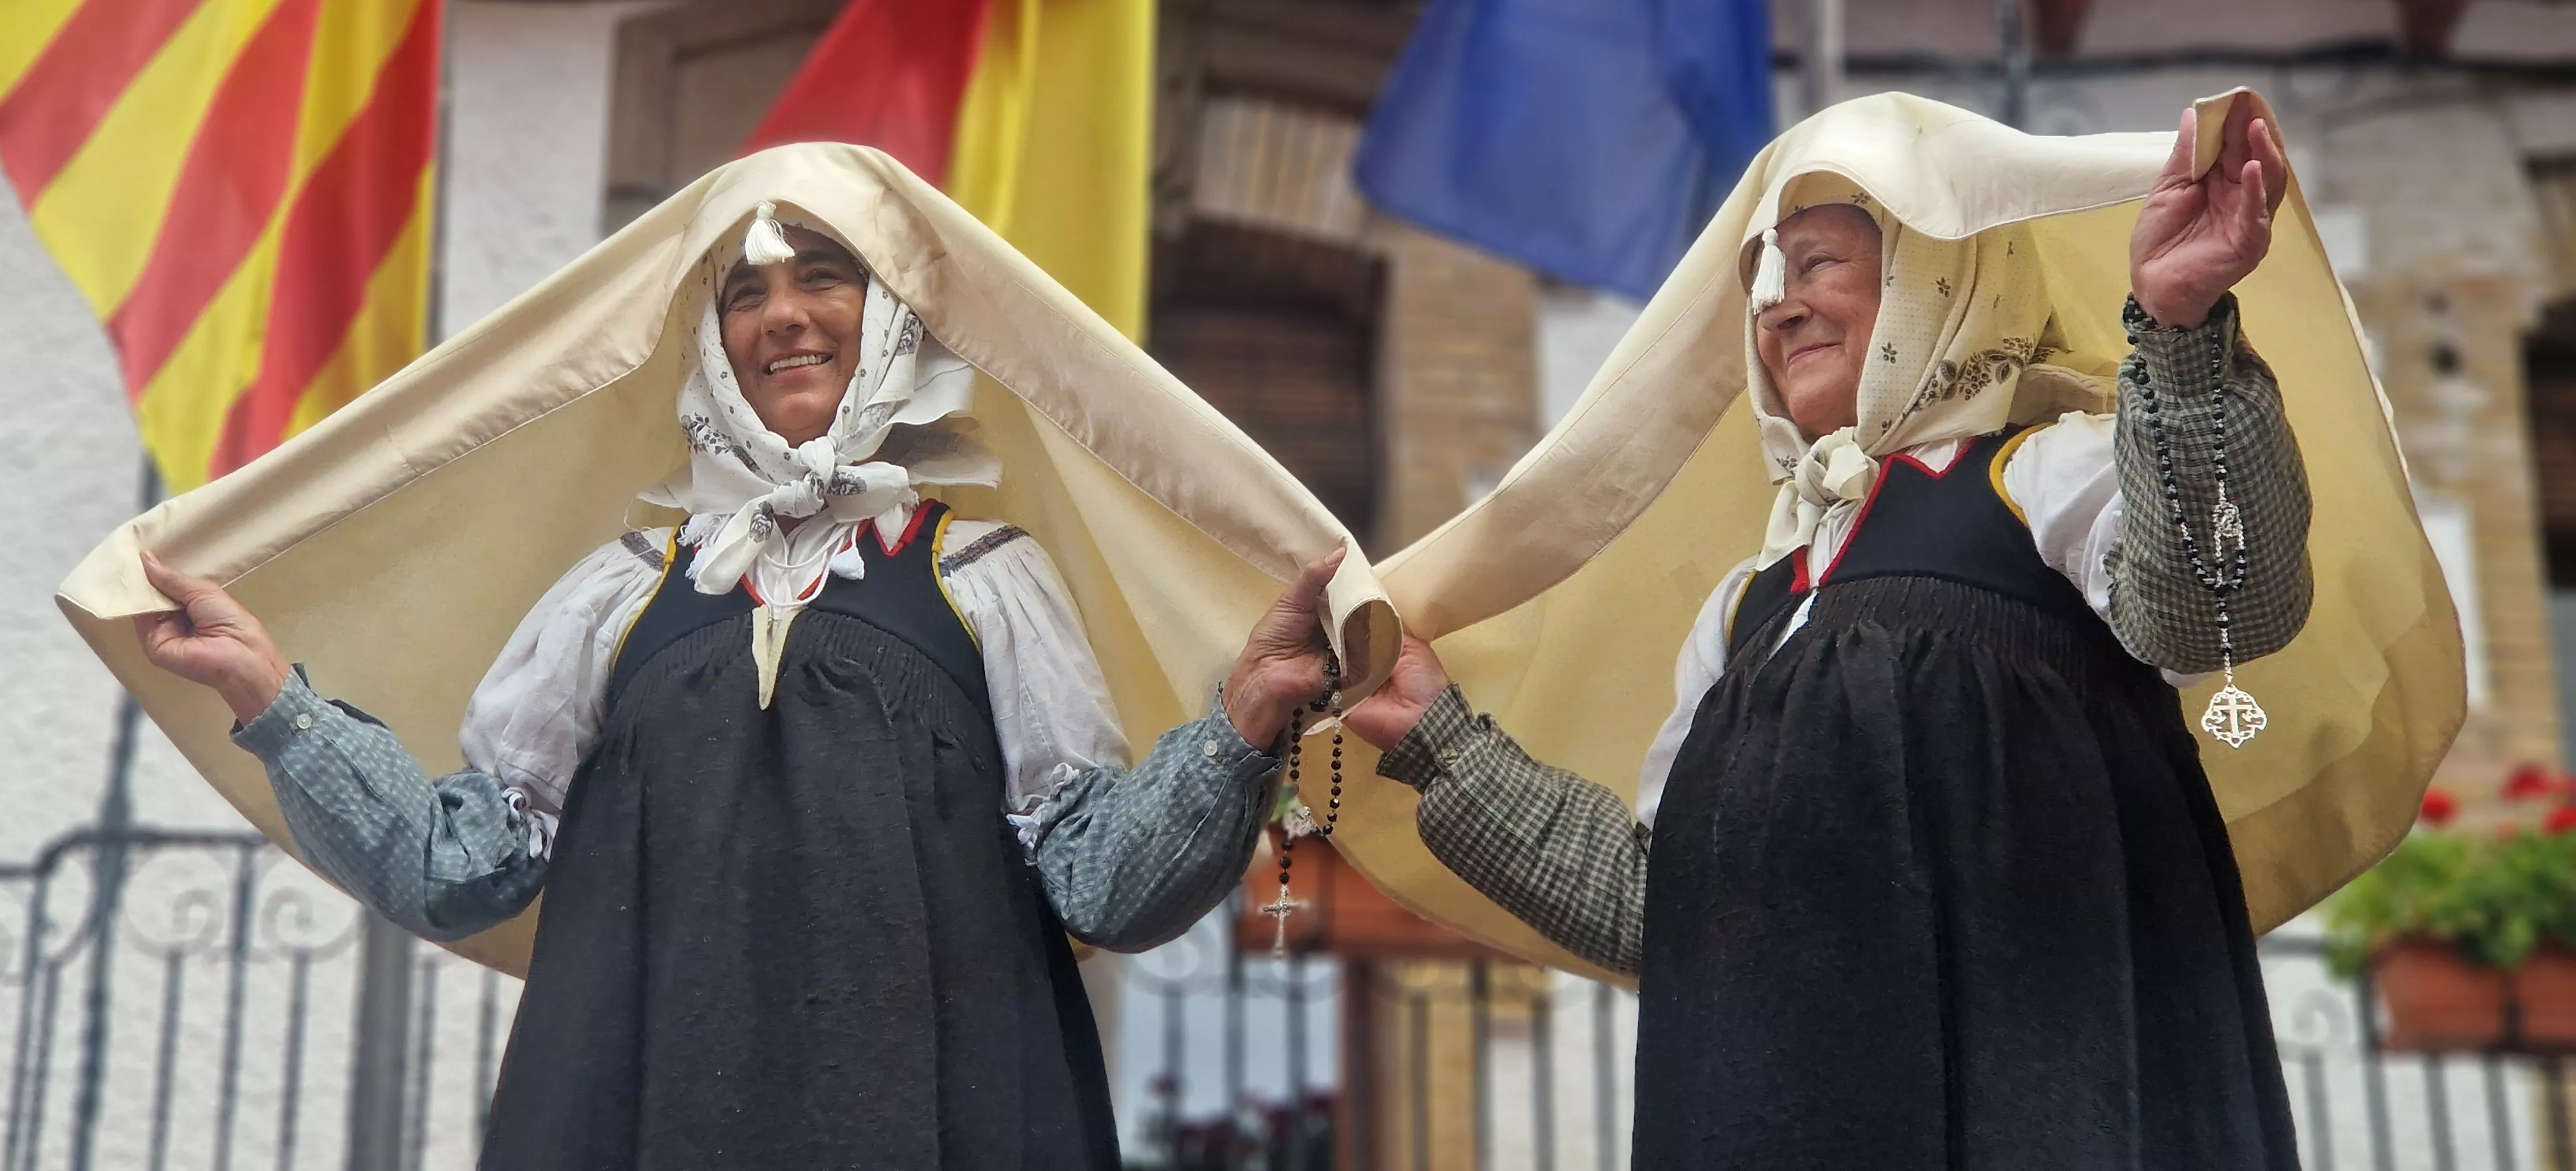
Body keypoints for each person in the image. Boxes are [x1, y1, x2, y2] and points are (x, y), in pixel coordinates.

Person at [133, 201, 1346, 1170]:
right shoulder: (615, 592)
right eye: (744, 292)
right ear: (709, 348)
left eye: (827, 274)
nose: (784, 316)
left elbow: (1104, 882)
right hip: (637, 1116)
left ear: (896, 320)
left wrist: (1241, 723)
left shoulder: (986, 576)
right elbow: (464, 868)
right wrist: (273, 698)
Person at [1347, 106, 2312, 1167]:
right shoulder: (1746, 610)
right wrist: (1444, 741)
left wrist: (2178, 336)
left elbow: (2227, 601)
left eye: (1815, 264)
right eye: (1763, 281)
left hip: (2035, 1106)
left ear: (1938, 278)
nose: (1777, 307)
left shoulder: (2049, 475)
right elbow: (1663, 906)